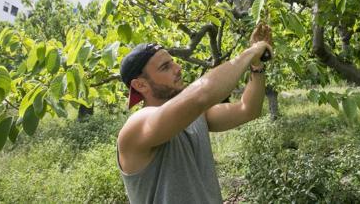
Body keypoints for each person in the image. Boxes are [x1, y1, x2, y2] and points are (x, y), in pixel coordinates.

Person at [116, 24, 273, 203]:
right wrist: (250, 52)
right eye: (165, 67)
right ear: (141, 85)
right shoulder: (137, 126)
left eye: (173, 61)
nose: (178, 68)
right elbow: (201, 95)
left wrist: (257, 65)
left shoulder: (196, 115)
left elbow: (248, 110)